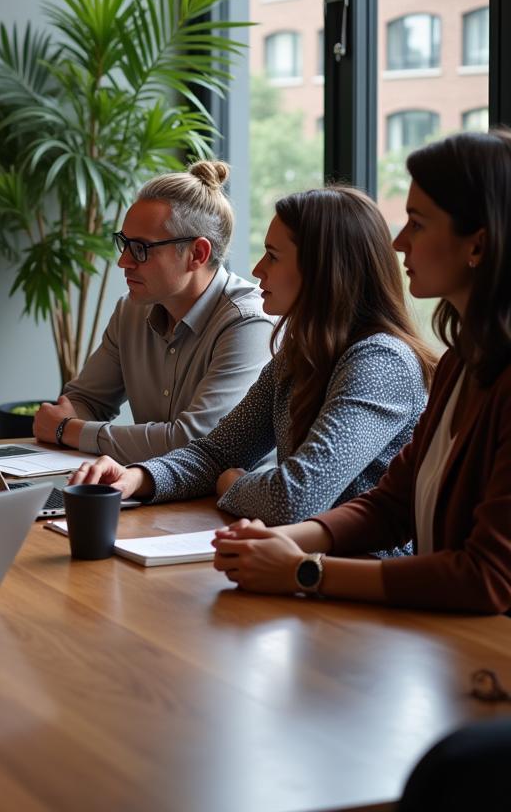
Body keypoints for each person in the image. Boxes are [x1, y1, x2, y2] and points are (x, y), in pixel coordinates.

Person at [210, 130, 511, 614]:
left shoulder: (387, 360)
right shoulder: (461, 363)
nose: (397, 241)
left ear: (477, 243)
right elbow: (392, 505)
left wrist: (302, 568)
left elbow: (487, 579)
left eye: (417, 223)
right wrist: (285, 544)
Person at [69, 185, 435, 526]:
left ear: (323, 271)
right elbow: (215, 453)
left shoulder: (380, 362)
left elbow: (291, 500)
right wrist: (138, 477)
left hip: (358, 580)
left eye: (273, 257)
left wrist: (231, 484)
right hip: (295, 565)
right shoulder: (297, 356)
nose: (258, 269)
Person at [34, 161, 274, 464]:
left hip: (229, 503)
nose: (123, 261)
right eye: (124, 243)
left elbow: (196, 443)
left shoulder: (248, 323)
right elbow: (84, 401)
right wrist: (69, 423)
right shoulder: (130, 310)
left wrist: (67, 430)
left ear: (197, 254)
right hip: (151, 493)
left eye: (141, 248)